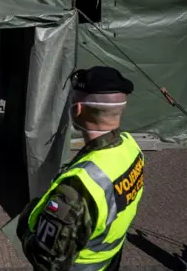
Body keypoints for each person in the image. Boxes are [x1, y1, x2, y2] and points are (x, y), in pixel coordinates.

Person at [21, 66, 144, 271]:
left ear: (77, 109)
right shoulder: (131, 148)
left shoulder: (79, 188)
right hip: (109, 259)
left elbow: (46, 260)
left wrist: (26, 223)